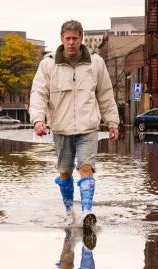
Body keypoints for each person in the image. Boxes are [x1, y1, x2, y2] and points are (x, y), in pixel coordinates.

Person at [29, 20, 120, 229]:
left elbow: (106, 94)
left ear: (81, 39)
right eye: (68, 38)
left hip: (88, 127)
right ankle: (69, 212)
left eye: (75, 38)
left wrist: (112, 122)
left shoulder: (96, 63)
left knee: (86, 167)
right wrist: (38, 120)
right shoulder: (48, 64)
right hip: (61, 128)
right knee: (65, 171)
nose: (71, 42)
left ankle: (87, 211)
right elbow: (38, 94)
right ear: (62, 39)